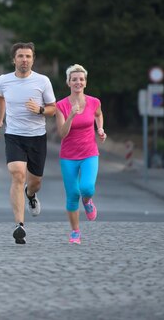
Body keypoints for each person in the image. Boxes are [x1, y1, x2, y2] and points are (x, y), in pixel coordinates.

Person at [0, 42, 56, 244]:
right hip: (14, 135)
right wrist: (0, 120)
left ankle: (31, 195)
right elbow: (0, 98)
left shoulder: (43, 81)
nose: (24, 60)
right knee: (18, 174)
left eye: (28, 56)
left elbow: (53, 108)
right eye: (20, 56)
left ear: (33, 59)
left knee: (35, 182)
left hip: (37, 136)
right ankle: (19, 225)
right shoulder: (3, 81)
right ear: (14, 59)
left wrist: (39, 110)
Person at [55, 64, 107, 245]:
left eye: (81, 79)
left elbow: (99, 115)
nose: (78, 82)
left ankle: (88, 200)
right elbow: (62, 133)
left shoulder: (94, 102)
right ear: (68, 82)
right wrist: (70, 115)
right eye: (74, 79)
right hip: (68, 156)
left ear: (85, 82)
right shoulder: (60, 105)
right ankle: (75, 232)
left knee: (86, 188)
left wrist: (100, 128)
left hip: (89, 153)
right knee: (71, 194)